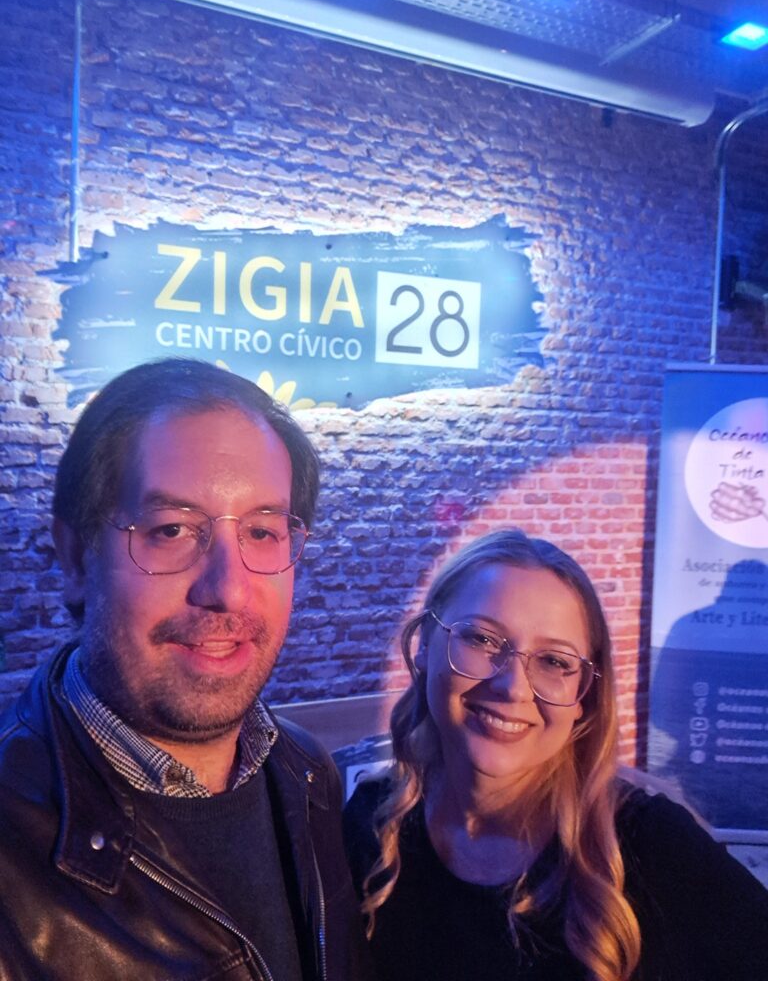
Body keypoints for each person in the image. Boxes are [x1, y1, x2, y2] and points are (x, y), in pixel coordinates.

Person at [0, 358, 373, 981]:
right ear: (75, 557)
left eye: (263, 533)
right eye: (171, 530)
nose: (228, 589)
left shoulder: (306, 774)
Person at [343, 529, 768, 981]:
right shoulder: (371, 824)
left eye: (554, 662)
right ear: (425, 644)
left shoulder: (649, 845)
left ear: (584, 695)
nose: (513, 688)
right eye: (482, 639)